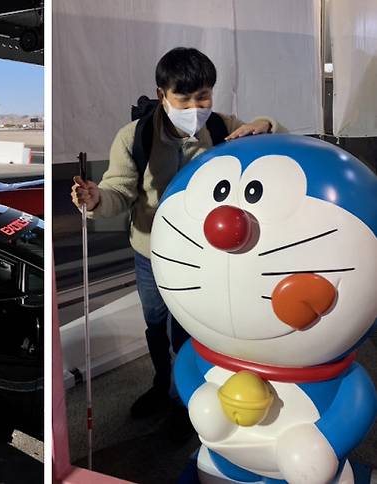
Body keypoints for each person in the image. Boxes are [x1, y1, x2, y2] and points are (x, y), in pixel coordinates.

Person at [71, 47, 282, 428]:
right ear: (161, 94)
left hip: (206, 258)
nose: (195, 106)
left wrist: (265, 124)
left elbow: (275, 145)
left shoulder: (221, 126)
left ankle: (187, 399)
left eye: (203, 96)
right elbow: (118, 192)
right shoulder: (133, 137)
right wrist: (96, 199)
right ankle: (161, 383)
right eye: (183, 98)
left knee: (192, 328)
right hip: (150, 254)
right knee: (155, 323)